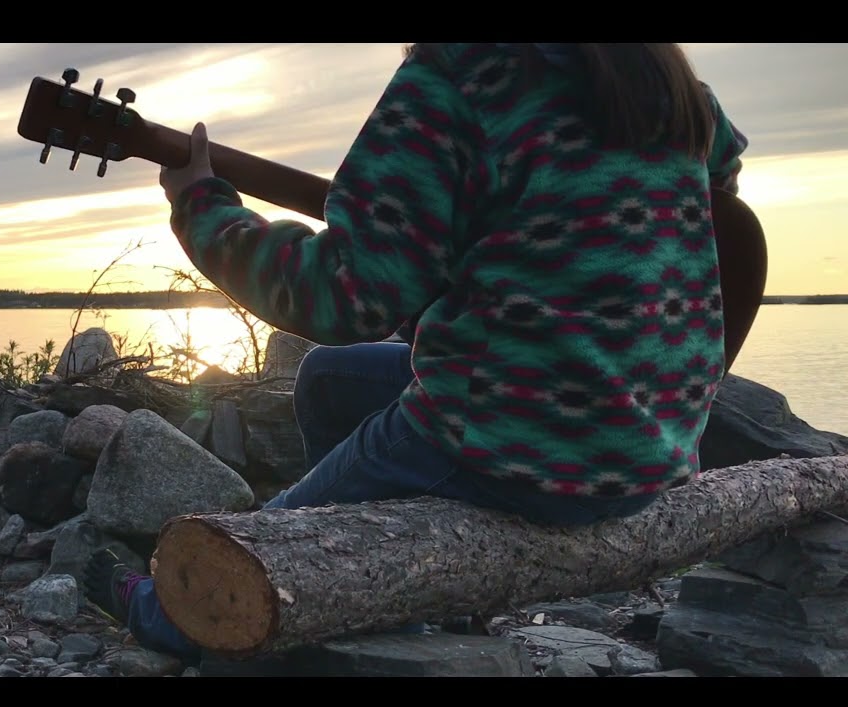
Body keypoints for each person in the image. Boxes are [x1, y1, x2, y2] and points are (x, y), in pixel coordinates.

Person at [83, 42, 749, 663]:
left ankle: (164, 609)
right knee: (330, 378)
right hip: (652, 445)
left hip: (515, 438)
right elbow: (722, 181)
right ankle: (391, 575)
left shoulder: (462, 74)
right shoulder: (656, 74)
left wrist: (201, 204)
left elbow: (341, 295)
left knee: (241, 567)